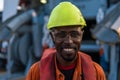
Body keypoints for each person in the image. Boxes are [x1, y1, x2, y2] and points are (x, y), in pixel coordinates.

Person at [26, 1, 106, 80]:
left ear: (81, 35)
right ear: (52, 37)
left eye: (74, 34)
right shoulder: (36, 73)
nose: (69, 41)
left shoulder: (96, 73)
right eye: (61, 34)